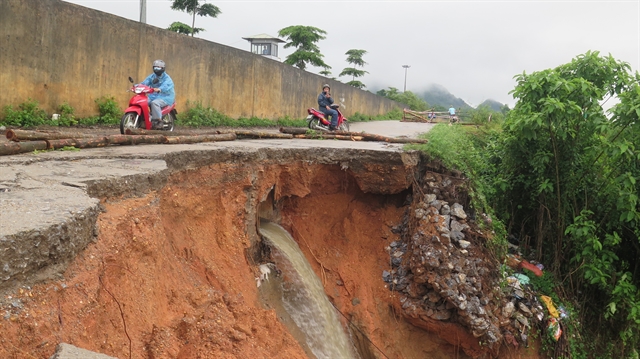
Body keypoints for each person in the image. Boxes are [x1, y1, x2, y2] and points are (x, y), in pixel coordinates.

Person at [141, 60, 175, 129]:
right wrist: (136, 86)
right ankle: (144, 119)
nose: (157, 69)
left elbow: (167, 85)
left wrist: (160, 89)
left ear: (163, 69)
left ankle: (157, 121)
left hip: (166, 97)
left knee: (154, 103)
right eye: (155, 68)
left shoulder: (167, 78)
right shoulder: (152, 77)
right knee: (143, 102)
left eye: (159, 68)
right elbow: (144, 83)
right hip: (153, 96)